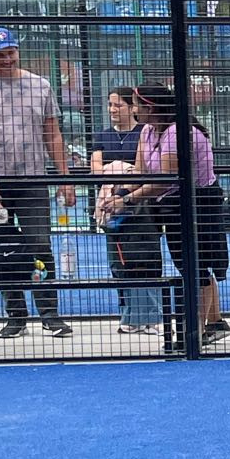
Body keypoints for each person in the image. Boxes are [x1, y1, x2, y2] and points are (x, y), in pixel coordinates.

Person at [0, 28, 73, 339]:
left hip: (32, 179)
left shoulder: (40, 85)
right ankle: (15, 315)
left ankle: (50, 313)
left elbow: (52, 133)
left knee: (40, 244)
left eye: (11, 52)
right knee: (3, 247)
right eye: (0, 55)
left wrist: (64, 178)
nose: (7, 59)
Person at [126, 87, 230, 347]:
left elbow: (166, 180)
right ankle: (215, 322)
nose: (133, 109)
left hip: (198, 203)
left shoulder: (177, 132)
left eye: (136, 104)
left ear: (150, 108)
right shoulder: (147, 131)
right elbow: (140, 172)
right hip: (173, 204)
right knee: (191, 266)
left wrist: (128, 200)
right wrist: (118, 193)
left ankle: (194, 333)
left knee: (194, 266)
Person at [91, 86, 162, 331]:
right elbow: (96, 169)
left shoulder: (144, 132)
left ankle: (152, 317)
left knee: (144, 258)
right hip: (110, 206)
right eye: (110, 105)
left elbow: (145, 169)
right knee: (118, 262)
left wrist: (117, 170)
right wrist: (123, 169)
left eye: (118, 105)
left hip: (141, 206)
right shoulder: (102, 136)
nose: (112, 109)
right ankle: (129, 316)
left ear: (132, 108)